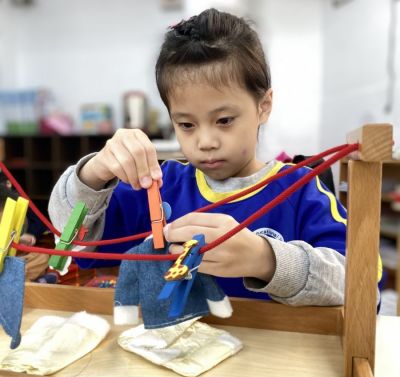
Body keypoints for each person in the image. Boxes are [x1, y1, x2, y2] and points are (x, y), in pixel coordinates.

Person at [49, 8, 349, 306]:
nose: (205, 142)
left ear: (263, 106)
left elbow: (356, 282)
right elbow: (73, 242)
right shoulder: (158, 186)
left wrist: (266, 260)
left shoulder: (300, 189)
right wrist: (93, 174)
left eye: (224, 120)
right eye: (186, 125)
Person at [0, 177, 51, 282]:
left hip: (8, 259)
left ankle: (14, 279)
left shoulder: (12, 202)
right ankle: (15, 280)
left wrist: (19, 237)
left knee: (42, 257)